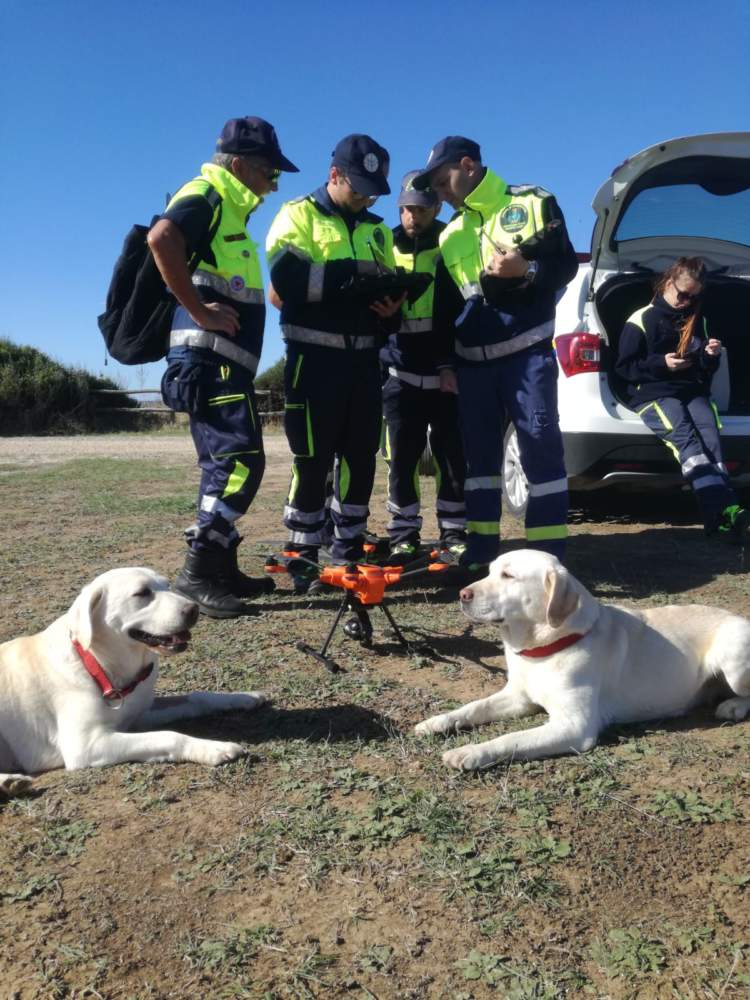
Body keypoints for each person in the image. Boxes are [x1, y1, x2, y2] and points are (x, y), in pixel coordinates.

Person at [149, 116, 298, 617]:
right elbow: (162, 238)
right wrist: (199, 311)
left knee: (223, 464)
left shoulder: (231, 210)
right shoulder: (208, 194)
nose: (272, 184)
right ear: (238, 165)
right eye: (267, 171)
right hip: (208, 361)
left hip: (223, 364)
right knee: (240, 463)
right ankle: (197, 571)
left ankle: (220, 569)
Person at [411, 136, 579, 575]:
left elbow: (565, 265)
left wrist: (528, 269)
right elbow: (446, 308)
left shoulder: (532, 202)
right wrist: (445, 363)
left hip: (528, 358)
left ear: (467, 165)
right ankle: (481, 553)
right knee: (479, 463)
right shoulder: (450, 234)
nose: (440, 194)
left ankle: (546, 559)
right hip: (472, 368)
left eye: (442, 182)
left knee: (540, 452)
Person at [266, 134, 403, 593]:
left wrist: (391, 309)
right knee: (313, 458)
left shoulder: (378, 229)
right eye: (359, 188)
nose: (366, 198)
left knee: (361, 458)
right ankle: (303, 558)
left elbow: (382, 289)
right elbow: (287, 280)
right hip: (313, 361)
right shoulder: (296, 215)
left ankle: (346, 551)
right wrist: (354, 275)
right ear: (334, 175)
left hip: (365, 361)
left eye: (373, 191)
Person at [616, 257, 749, 541]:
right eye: (683, 294)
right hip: (654, 394)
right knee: (689, 443)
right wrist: (662, 364)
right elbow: (625, 368)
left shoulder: (697, 319)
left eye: (693, 297)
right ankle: (726, 509)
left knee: (712, 442)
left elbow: (704, 370)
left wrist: (710, 356)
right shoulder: (641, 319)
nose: (686, 302)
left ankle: (721, 520)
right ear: (668, 283)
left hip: (691, 391)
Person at [380, 171, 466, 564]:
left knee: (452, 458)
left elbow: (458, 310)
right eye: (406, 209)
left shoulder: (451, 242)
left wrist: (449, 363)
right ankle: (404, 534)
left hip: (447, 374)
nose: (412, 216)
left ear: (436, 207)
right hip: (398, 373)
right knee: (402, 459)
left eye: (421, 209)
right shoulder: (384, 242)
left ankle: (453, 532)